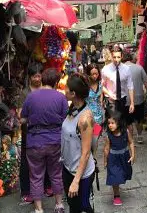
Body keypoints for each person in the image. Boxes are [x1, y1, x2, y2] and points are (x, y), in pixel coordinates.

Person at [21, 68, 68, 213]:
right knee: (56, 173)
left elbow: (22, 119)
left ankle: (39, 208)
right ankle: (59, 204)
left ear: (42, 79)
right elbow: (66, 118)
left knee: (35, 176)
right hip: (55, 141)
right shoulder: (60, 98)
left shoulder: (31, 97)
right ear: (56, 81)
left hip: (35, 141)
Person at [61, 73, 96, 213]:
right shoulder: (72, 108)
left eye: (66, 88)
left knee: (83, 207)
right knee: (73, 206)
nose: (64, 89)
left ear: (73, 93)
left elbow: (86, 153)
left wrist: (76, 181)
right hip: (68, 168)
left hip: (81, 174)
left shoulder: (85, 119)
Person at [19, 62, 45, 205]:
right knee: (26, 162)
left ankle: (46, 186)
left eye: (39, 76)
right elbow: (20, 115)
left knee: (46, 159)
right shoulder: (25, 93)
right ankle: (26, 191)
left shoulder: (45, 90)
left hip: (44, 132)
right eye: (34, 76)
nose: (37, 79)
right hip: (29, 133)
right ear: (29, 77)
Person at [103, 109, 135, 206]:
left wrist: (133, 155)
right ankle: (116, 195)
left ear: (119, 123)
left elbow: (131, 142)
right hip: (113, 158)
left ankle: (118, 187)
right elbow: (106, 149)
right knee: (114, 177)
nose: (110, 125)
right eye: (109, 123)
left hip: (124, 157)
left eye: (113, 123)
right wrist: (105, 161)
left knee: (123, 174)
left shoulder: (126, 132)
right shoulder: (109, 136)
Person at [101, 46, 135, 127]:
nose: (116, 60)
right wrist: (109, 94)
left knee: (122, 123)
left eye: (118, 57)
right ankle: (110, 138)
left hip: (122, 100)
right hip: (110, 100)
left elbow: (130, 86)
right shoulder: (105, 69)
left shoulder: (127, 69)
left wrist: (132, 103)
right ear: (111, 57)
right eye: (114, 57)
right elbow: (101, 86)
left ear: (122, 56)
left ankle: (122, 139)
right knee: (112, 123)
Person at [124, 52, 147, 143]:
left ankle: (130, 139)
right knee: (139, 119)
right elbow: (146, 82)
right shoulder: (139, 68)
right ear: (132, 58)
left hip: (126, 99)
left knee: (128, 121)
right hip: (139, 98)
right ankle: (139, 136)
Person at [85, 64, 104, 155]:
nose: (95, 76)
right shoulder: (85, 85)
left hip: (98, 117)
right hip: (87, 117)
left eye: (96, 74)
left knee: (95, 139)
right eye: (92, 74)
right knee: (88, 139)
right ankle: (90, 158)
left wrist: (101, 101)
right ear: (88, 74)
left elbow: (101, 94)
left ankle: (93, 157)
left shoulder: (100, 83)